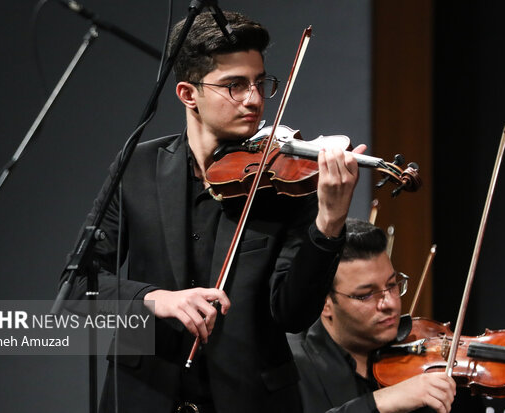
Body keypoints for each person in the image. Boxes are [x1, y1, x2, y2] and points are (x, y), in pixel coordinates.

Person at [65, 11, 366, 413]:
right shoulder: (137, 166)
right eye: (235, 86)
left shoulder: (284, 179)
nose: (255, 99)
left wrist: (330, 221)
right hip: (144, 394)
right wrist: (155, 299)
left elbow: (293, 312)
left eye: (260, 83)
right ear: (189, 94)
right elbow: (76, 288)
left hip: (252, 399)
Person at [289, 218, 505, 413]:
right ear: (324, 302)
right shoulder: (292, 368)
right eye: (366, 295)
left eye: (392, 285)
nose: (390, 303)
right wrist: (380, 402)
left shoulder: (437, 363)